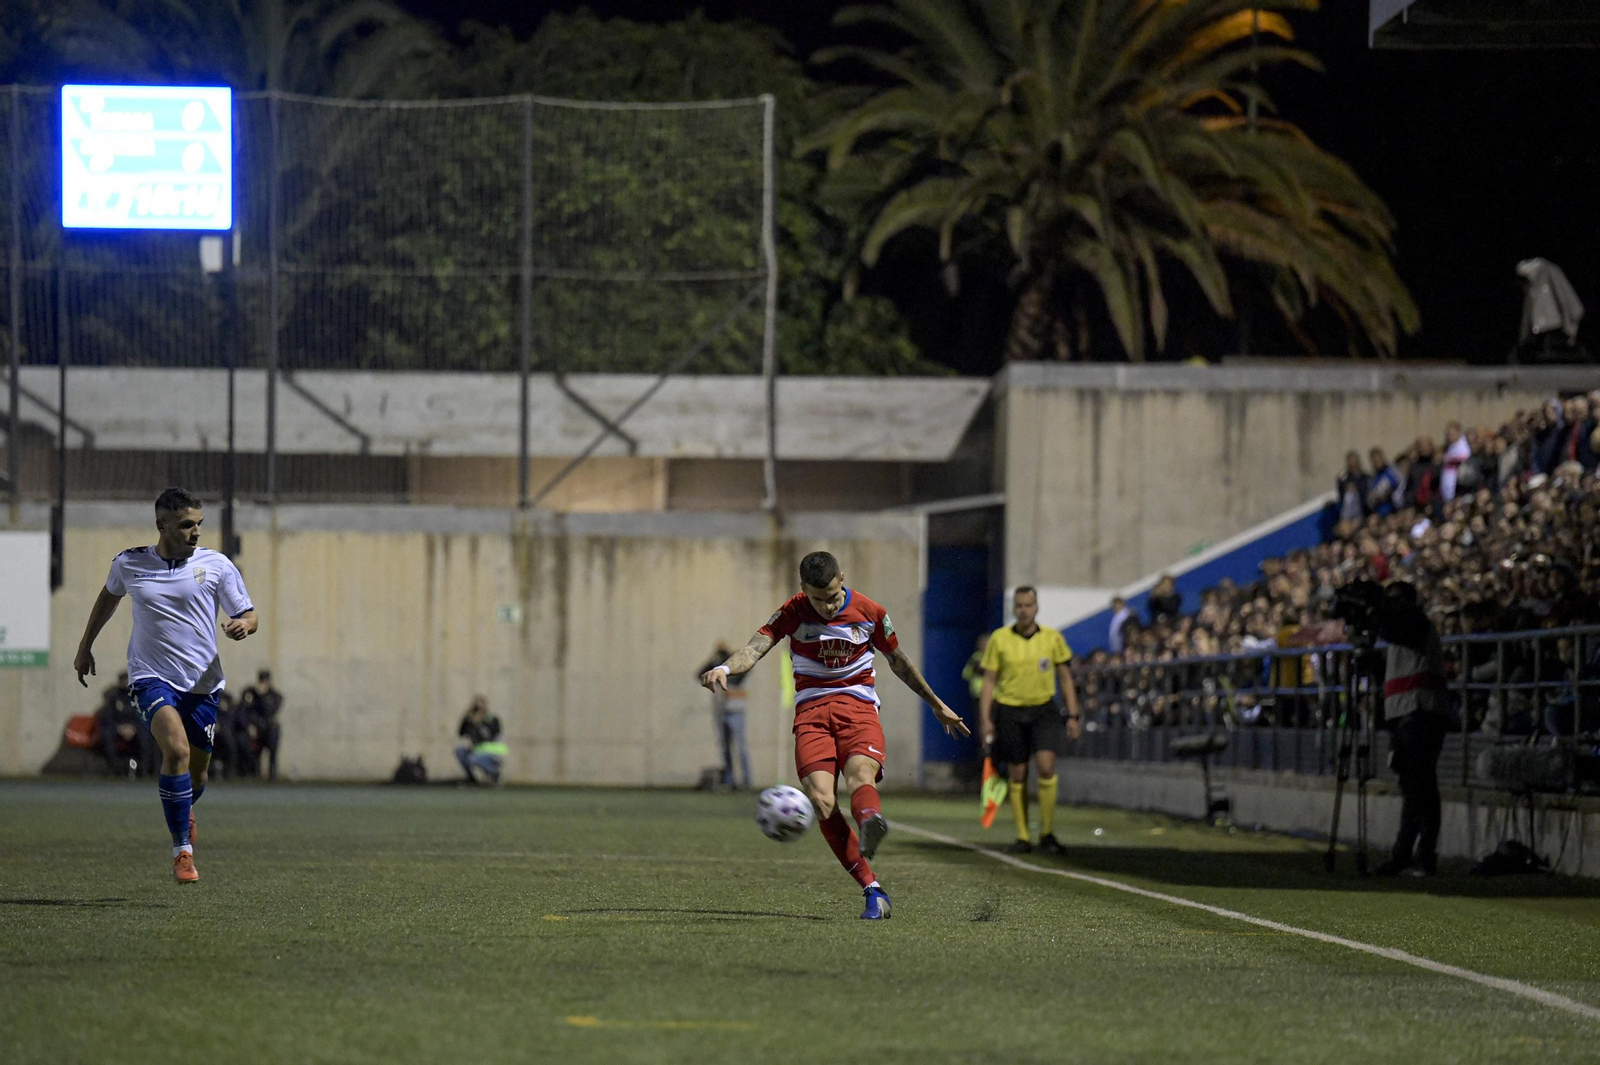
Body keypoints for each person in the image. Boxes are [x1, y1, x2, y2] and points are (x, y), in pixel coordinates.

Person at [700, 550, 969, 920]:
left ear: (842, 578)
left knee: (860, 774)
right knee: (822, 800)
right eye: (817, 600)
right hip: (812, 715)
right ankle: (872, 889)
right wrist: (725, 668)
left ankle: (870, 819)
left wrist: (936, 704)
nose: (827, 607)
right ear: (803, 589)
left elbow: (899, 662)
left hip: (858, 709)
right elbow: (754, 648)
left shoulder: (870, 612)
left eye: (831, 597)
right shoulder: (793, 611)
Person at [73, 487, 259, 884]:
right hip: (150, 677)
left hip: (203, 683)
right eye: (187, 525)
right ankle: (182, 852)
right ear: (162, 525)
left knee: (197, 775)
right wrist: (85, 646)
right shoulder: (130, 562)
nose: (196, 532)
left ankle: (183, 809)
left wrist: (244, 624)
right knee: (175, 749)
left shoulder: (216, 565)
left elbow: (248, 613)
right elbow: (108, 599)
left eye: (199, 524)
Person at [977, 586, 1082, 854]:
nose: (1024, 610)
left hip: (1043, 709)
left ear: (1037, 607)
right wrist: (986, 719)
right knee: (1018, 771)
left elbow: (1066, 678)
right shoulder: (1000, 639)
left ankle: (1047, 833)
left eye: (1029, 605)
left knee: (1046, 766)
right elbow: (989, 681)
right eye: (1020, 605)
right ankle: (1023, 836)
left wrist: (1073, 714)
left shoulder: (1052, 638)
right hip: (1010, 710)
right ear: (1014, 608)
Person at [699, 642, 751, 790]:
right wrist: (713, 660)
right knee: (725, 748)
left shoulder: (738, 669)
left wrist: (729, 656)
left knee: (741, 748)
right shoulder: (718, 667)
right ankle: (729, 781)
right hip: (722, 712)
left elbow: (738, 677)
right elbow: (700, 674)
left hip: (737, 712)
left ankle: (746, 781)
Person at [96, 670, 156, 777]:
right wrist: (119, 728)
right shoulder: (114, 697)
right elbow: (108, 717)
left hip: (136, 727)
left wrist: (133, 727)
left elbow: (143, 715)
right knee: (106, 733)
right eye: (124, 681)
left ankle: (144, 770)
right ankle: (115, 768)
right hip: (118, 727)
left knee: (146, 735)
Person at [239, 670, 284, 781]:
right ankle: (255, 773)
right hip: (256, 727)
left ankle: (272, 774)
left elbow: (270, 711)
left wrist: (262, 696)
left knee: (273, 745)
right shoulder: (251, 693)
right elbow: (245, 710)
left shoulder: (274, 696)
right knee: (254, 751)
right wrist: (250, 725)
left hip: (269, 728)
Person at [454, 695, 506, 784]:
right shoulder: (471, 721)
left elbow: (490, 737)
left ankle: (494, 773)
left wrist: (480, 724)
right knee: (460, 751)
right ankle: (471, 778)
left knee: (473, 758)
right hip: (477, 749)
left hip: (492, 750)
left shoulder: (492, 720)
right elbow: (461, 733)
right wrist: (467, 718)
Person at [1336, 451, 1370, 525]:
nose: (1353, 465)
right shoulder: (1343, 479)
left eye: (1355, 463)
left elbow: (1366, 497)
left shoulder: (1366, 478)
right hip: (1348, 514)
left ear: (1359, 463)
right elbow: (1342, 497)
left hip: (1364, 512)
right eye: (1350, 464)